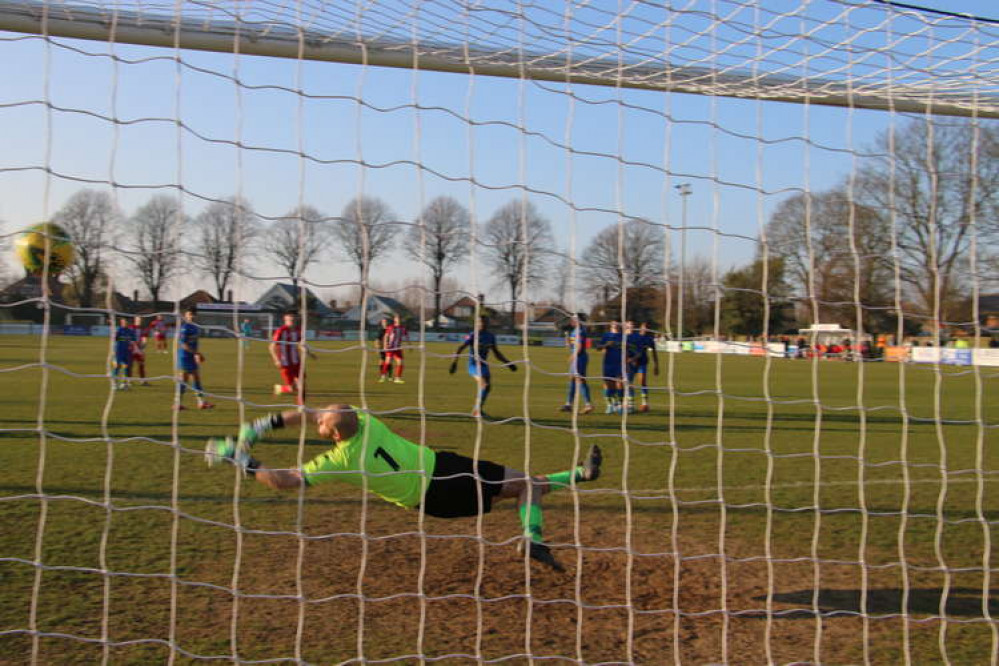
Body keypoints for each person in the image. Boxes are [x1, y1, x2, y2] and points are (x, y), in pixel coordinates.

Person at [205, 403, 603, 571]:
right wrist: (256, 430)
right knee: (524, 486)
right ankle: (534, 534)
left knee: (526, 485)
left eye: (323, 423)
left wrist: (245, 456)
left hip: (437, 484)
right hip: (440, 475)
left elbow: (286, 480)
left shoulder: (339, 459)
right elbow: (314, 414)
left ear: (332, 432)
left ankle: (579, 478)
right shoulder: (366, 419)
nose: (316, 422)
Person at [449, 315, 517, 418]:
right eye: (480, 322)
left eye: (485, 322)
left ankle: (478, 410)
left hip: (484, 365)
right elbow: (460, 348)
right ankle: (477, 411)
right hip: (473, 365)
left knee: (487, 387)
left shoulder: (490, 336)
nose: (483, 324)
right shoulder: (472, 335)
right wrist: (454, 363)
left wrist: (508, 363)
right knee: (485, 385)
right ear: (477, 323)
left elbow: (496, 353)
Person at [270, 310, 316, 405]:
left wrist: (309, 353)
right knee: (292, 388)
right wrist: (276, 360)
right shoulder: (281, 331)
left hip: (296, 362)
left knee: (302, 384)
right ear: (285, 320)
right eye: (290, 320)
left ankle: (301, 406)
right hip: (285, 363)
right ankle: (279, 388)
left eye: (294, 320)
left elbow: (300, 344)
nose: (292, 322)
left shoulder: (297, 330)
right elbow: (271, 346)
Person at [175, 308, 213, 410]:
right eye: (190, 314)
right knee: (184, 380)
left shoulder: (196, 328)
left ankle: (201, 403)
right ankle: (177, 404)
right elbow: (183, 344)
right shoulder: (185, 328)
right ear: (185, 316)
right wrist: (197, 353)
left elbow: (194, 344)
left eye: (193, 314)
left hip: (192, 356)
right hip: (184, 356)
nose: (192, 316)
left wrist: (196, 355)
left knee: (196, 379)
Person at [558, 313, 593, 414]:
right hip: (577, 357)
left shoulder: (580, 331)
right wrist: (566, 338)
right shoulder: (573, 331)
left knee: (580, 380)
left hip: (580, 358)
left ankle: (588, 404)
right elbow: (570, 346)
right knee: (573, 380)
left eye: (574, 319)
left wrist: (573, 356)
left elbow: (580, 347)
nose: (572, 320)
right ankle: (569, 404)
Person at [626, 322, 659, 412]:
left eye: (647, 328)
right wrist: (629, 359)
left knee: (642, 381)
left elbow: (654, 352)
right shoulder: (634, 336)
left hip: (642, 363)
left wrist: (656, 365)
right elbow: (627, 348)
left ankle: (645, 403)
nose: (645, 329)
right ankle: (630, 404)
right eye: (643, 327)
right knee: (629, 383)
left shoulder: (649, 339)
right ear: (640, 328)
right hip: (632, 363)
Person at [596, 321, 625, 414]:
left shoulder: (623, 336)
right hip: (608, 363)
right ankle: (610, 404)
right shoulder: (606, 335)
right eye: (613, 324)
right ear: (611, 326)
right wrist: (606, 345)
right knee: (609, 385)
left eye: (617, 323)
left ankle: (620, 405)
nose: (615, 325)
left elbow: (628, 349)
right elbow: (598, 348)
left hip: (619, 363)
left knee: (620, 383)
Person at [380, 313, 409, 384]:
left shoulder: (402, 328)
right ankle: (383, 376)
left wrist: (409, 344)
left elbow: (406, 336)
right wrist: (385, 345)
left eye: (399, 318)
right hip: (390, 348)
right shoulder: (391, 327)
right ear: (394, 319)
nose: (398, 320)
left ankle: (397, 378)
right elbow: (386, 336)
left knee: (400, 362)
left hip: (398, 348)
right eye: (397, 318)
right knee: (388, 362)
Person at [112, 316, 137, 390]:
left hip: (127, 352)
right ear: (121, 323)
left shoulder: (131, 331)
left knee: (126, 367)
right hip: (119, 351)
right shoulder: (119, 330)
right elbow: (115, 338)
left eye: (126, 322)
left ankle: (124, 383)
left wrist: (132, 345)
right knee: (117, 367)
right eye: (123, 322)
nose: (125, 323)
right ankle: (114, 383)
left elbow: (133, 340)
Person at [129, 315, 150, 386]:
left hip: (139, 349)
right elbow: (128, 338)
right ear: (135, 320)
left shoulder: (143, 328)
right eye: (138, 320)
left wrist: (143, 345)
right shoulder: (131, 328)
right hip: (132, 349)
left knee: (141, 365)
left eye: (140, 320)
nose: (139, 321)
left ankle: (143, 381)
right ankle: (129, 380)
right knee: (130, 365)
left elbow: (144, 338)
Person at [375, 317, 391, 382]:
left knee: (389, 361)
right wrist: (377, 347)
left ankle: (389, 376)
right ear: (382, 323)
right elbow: (377, 339)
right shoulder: (380, 330)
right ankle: (382, 375)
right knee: (381, 361)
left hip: (389, 348)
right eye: (383, 322)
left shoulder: (390, 329)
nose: (384, 323)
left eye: (385, 322)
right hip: (382, 348)